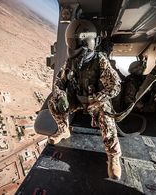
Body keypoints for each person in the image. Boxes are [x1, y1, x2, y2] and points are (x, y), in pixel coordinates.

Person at [48, 19, 122, 180]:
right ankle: (63, 130)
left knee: (107, 116)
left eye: (75, 42)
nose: (73, 46)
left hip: (95, 101)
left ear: (86, 41)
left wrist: (99, 98)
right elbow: (59, 83)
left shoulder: (100, 60)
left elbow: (115, 85)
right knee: (53, 102)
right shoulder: (70, 62)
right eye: (71, 42)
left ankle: (113, 156)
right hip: (77, 99)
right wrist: (60, 95)